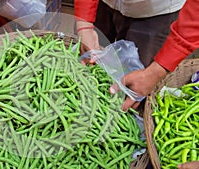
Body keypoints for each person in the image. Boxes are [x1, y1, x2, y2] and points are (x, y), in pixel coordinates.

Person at [76, 0, 199, 168]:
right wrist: (84, 21)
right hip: (104, 5)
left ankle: (118, 131)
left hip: (157, 13)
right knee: (95, 73)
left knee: (135, 96)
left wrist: (155, 71)